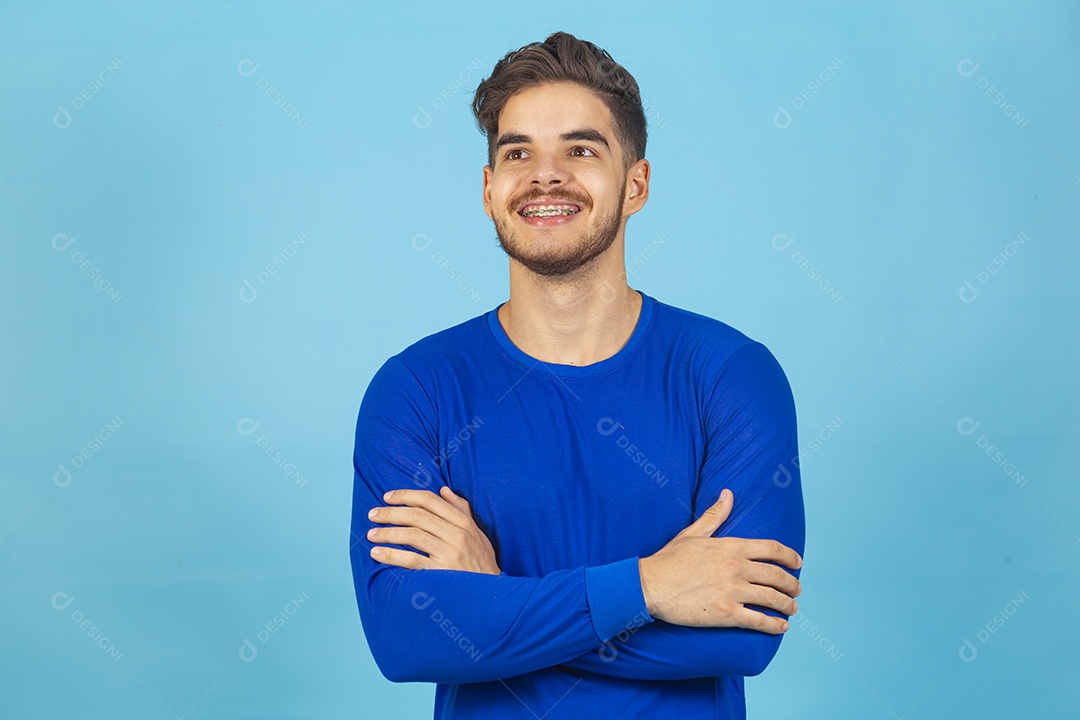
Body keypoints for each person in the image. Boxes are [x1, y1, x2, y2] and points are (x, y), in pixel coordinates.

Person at [350, 31, 805, 719]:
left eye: (581, 149)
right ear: (488, 189)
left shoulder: (732, 377)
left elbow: (742, 633)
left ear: (637, 185)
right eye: (518, 153)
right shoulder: (415, 389)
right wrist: (651, 588)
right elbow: (403, 638)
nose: (545, 174)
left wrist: (493, 595)